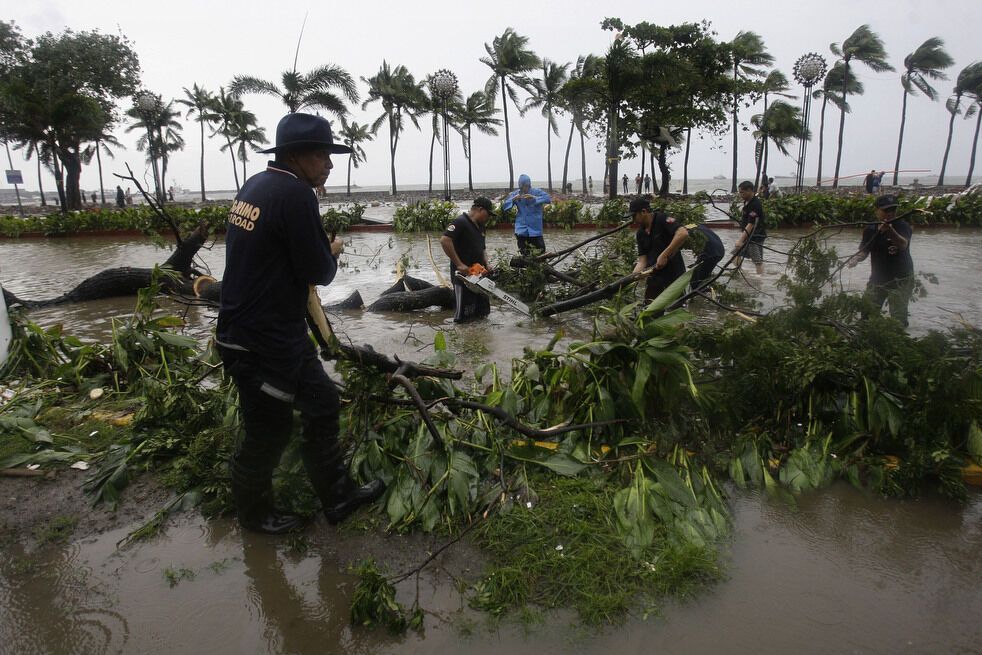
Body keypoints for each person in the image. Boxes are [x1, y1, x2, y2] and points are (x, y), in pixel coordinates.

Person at [217, 112, 384, 535]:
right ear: (296, 156)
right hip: (263, 341)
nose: (330, 163)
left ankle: (339, 497)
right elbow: (319, 272)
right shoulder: (295, 195)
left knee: (323, 403)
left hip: (262, 331)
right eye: (322, 154)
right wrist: (334, 249)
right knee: (268, 429)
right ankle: (254, 516)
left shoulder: (255, 185)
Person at [846, 194, 914, 327]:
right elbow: (864, 250)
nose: (890, 214)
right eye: (886, 210)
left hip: (901, 279)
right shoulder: (870, 229)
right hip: (878, 278)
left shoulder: (902, 226)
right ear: (876, 210)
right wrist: (856, 259)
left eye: (893, 210)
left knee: (898, 318)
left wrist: (889, 231)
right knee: (867, 314)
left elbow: (903, 244)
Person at [440, 197, 496, 323]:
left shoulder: (481, 227)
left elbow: (482, 249)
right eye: (488, 214)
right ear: (480, 210)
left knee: (483, 313)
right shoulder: (460, 222)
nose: (488, 218)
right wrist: (459, 264)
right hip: (463, 277)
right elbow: (445, 240)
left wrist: (487, 264)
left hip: (479, 275)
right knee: (463, 318)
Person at [628, 197, 687, 302]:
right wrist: (631, 278)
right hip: (654, 277)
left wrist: (664, 255)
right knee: (650, 311)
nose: (633, 220)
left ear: (643, 212)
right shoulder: (640, 234)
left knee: (675, 309)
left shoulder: (662, 219)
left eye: (634, 216)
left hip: (674, 275)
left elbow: (683, 233)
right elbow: (642, 261)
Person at [502, 174, 551, 256]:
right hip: (521, 228)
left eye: (527, 186)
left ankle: (539, 266)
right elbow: (505, 207)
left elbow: (548, 198)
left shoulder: (537, 192)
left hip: (535, 228)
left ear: (529, 185)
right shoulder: (515, 194)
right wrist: (513, 199)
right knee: (524, 252)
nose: (525, 189)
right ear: (520, 186)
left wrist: (534, 198)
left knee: (540, 251)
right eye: (523, 187)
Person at [732, 180, 767, 275]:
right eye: (739, 192)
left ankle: (760, 280)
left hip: (754, 237)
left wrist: (740, 240)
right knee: (735, 255)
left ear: (749, 191)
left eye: (742, 192)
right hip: (749, 236)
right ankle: (743, 274)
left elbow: (751, 224)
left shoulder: (755, 204)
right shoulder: (747, 202)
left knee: (757, 261)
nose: (740, 194)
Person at [686, 223, 726, 292]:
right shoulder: (697, 225)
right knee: (702, 275)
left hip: (711, 254)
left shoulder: (687, 231)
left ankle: (702, 293)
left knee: (695, 281)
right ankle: (707, 291)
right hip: (720, 251)